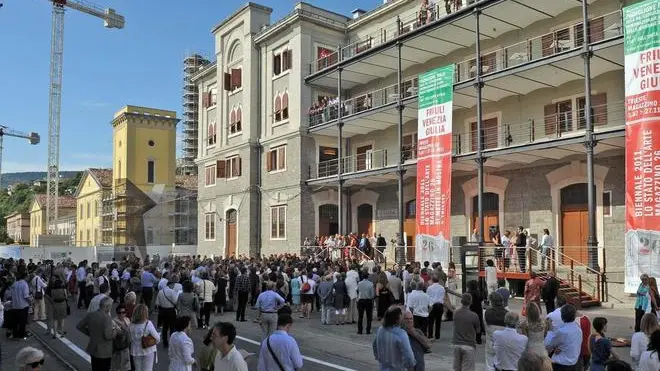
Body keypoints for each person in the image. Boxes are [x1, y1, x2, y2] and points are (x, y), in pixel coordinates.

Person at [77, 296, 116, 371]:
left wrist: (90, 333)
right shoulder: (107, 318)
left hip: (93, 348)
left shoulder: (91, 315)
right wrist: (115, 331)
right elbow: (108, 336)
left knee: (95, 367)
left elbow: (79, 326)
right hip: (105, 351)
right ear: (107, 307)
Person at [373, 306, 416, 370]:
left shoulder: (380, 329)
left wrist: (379, 358)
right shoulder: (401, 334)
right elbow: (409, 357)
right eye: (401, 316)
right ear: (397, 319)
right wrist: (410, 366)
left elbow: (374, 346)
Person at [544, 304, 582, 370]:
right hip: (574, 363)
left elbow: (548, 344)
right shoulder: (578, 329)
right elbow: (571, 343)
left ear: (562, 316)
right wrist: (561, 347)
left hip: (562, 365)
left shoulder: (562, 331)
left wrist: (550, 329)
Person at [453, 293, 481, 371]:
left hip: (457, 343)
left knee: (457, 368)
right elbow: (478, 330)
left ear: (461, 301)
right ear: (471, 302)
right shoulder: (474, 315)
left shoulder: (455, 313)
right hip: (469, 344)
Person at [129, 304, 160, 371]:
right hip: (148, 350)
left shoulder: (131, 325)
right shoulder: (148, 324)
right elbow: (157, 338)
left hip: (135, 350)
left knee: (138, 369)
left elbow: (130, 338)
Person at [484, 292, 507, 371]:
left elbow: (484, 325)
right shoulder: (507, 314)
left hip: (490, 342)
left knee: (489, 364)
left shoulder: (486, 313)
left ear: (491, 302)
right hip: (503, 344)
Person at [155, 279, 179, 348]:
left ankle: (165, 342)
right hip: (171, 310)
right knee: (172, 327)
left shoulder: (160, 292)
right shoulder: (172, 292)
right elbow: (175, 301)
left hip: (163, 310)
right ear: (170, 285)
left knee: (165, 327)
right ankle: (172, 342)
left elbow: (157, 303)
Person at [111, 304, 131, 371]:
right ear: (117, 313)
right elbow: (119, 333)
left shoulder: (127, 319)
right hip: (118, 348)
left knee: (126, 367)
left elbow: (129, 332)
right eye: (120, 313)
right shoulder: (113, 321)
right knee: (117, 367)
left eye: (124, 312)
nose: (122, 314)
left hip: (126, 347)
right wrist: (124, 328)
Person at [426, 275, 445, 340]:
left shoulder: (429, 288)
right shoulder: (442, 288)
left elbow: (427, 296)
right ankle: (437, 335)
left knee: (430, 321)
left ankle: (430, 335)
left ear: (432, 280)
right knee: (438, 321)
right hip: (440, 305)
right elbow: (443, 296)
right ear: (438, 280)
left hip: (432, 305)